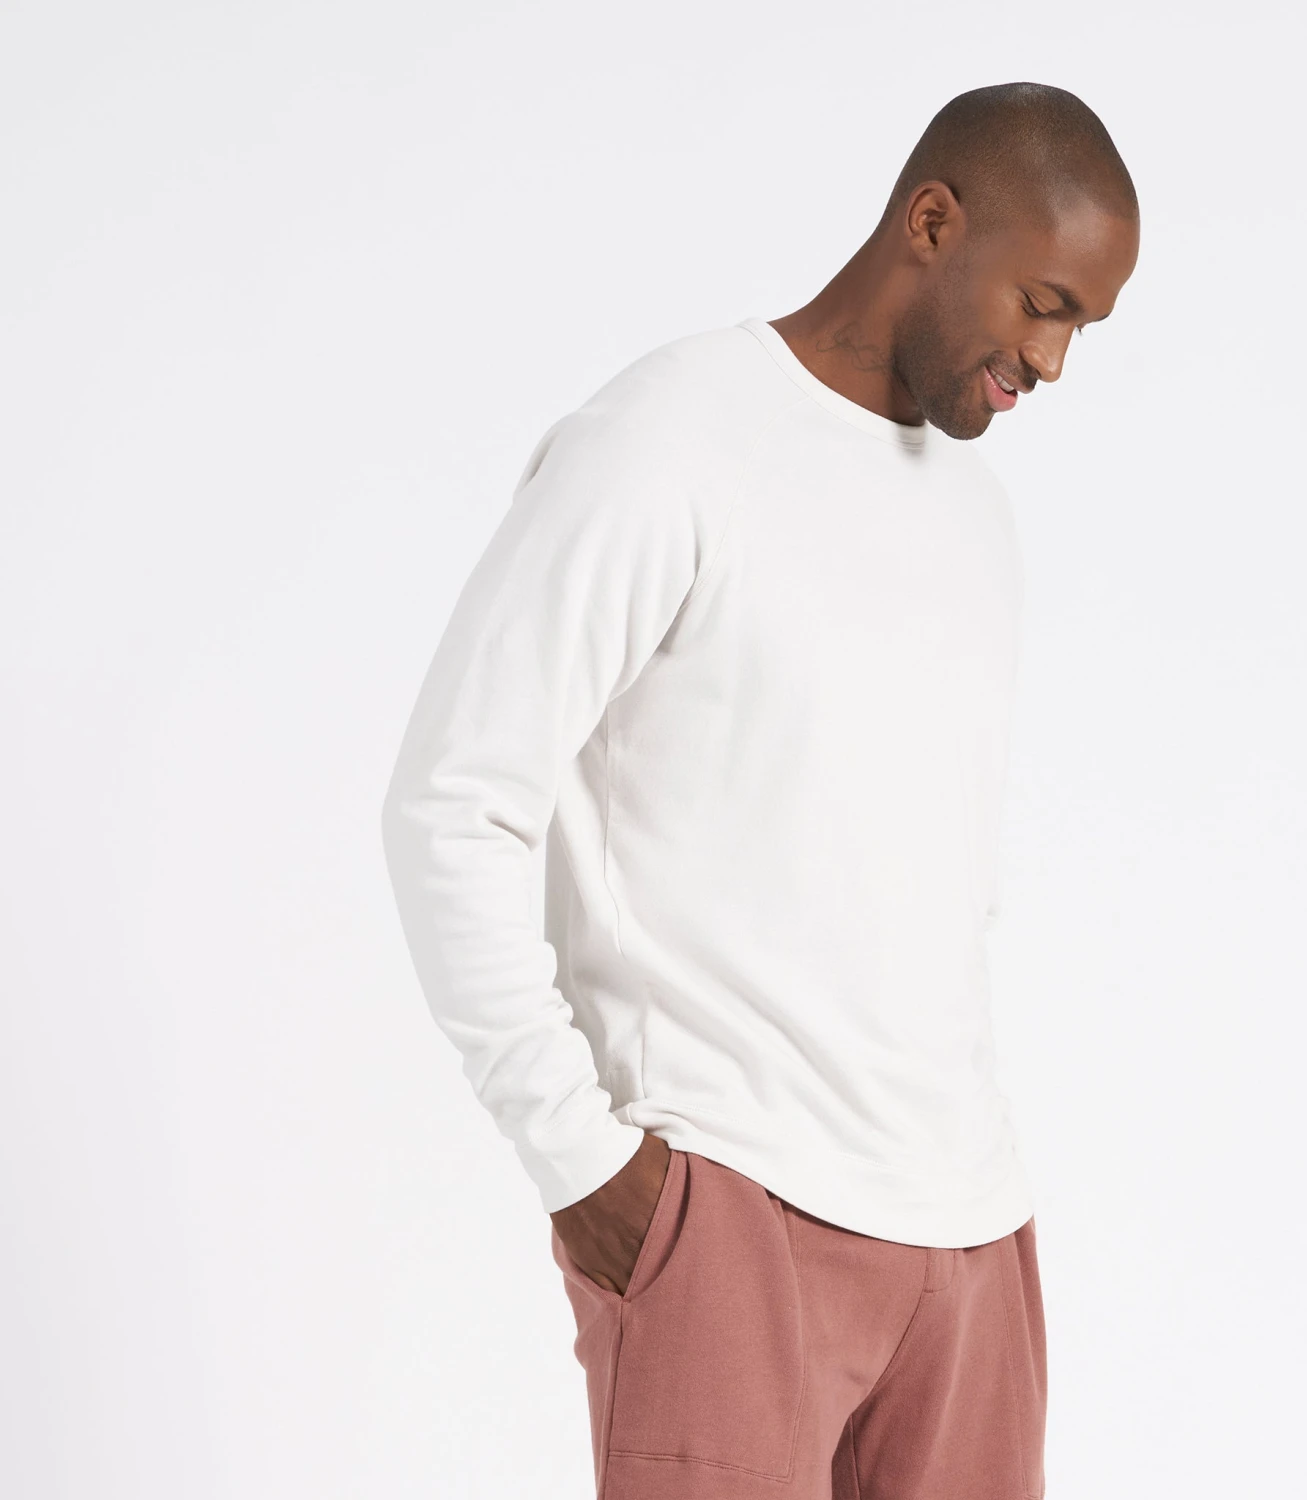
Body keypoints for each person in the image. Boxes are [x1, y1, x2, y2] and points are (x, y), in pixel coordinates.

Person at [381, 80, 1139, 1500]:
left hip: (969, 1237)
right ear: (933, 222)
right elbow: (452, 802)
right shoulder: (666, 441)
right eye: (1043, 305)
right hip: (729, 1215)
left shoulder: (976, 515)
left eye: (1082, 327)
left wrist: (979, 1210)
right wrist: (584, 1166)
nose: (1050, 360)